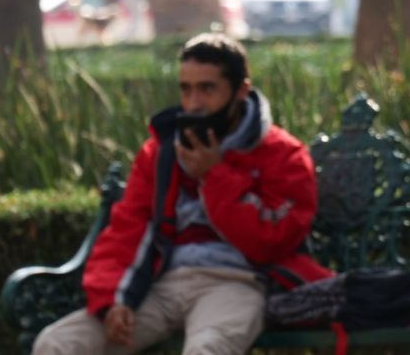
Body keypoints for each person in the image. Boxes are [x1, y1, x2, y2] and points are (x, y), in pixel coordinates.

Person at [33, 33, 333, 354]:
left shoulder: (282, 154)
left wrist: (215, 175)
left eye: (207, 88)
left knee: (207, 351)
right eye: (186, 89)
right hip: (161, 286)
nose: (193, 104)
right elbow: (128, 228)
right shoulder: (160, 153)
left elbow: (273, 239)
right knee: (57, 344)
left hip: (238, 283)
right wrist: (114, 300)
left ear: (241, 91)